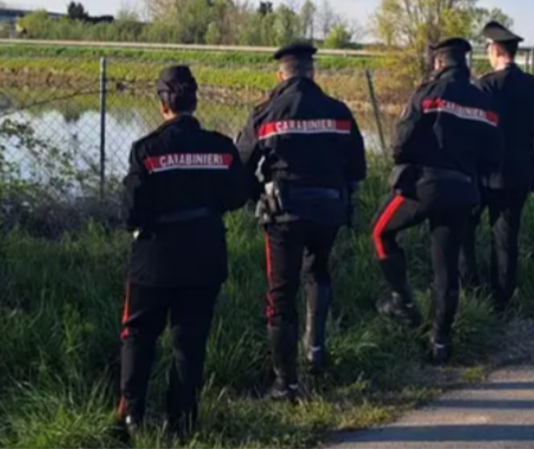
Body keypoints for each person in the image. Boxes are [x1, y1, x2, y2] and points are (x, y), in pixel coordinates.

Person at [117, 65, 249, 438]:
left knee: (139, 336)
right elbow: (237, 196)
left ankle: (132, 419)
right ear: (195, 100)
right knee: (189, 342)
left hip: (153, 261)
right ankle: (182, 424)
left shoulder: (145, 150)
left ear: (162, 104)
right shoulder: (222, 147)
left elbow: (130, 214)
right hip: (205, 257)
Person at [235, 42, 367, 401]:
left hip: (284, 214)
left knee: (280, 293)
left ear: (281, 74)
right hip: (329, 210)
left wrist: (256, 195)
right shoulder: (339, 112)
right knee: (318, 271)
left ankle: (286, 383)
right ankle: (316, 349)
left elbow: (240, 166)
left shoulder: (266, 113)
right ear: (311, 73)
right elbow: (358, 167)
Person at [371, 37, 503, 364]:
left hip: (426, 185)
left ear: (439, 63)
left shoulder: (428, 94)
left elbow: (400, 145)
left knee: (380, 232)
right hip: (464, 190)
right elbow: (494, 155)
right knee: (446, 267)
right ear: (465, 63)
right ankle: (441, 344)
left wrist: (419, 163)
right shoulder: (483, 102)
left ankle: (403, 302)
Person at [459, 21, 534, 312]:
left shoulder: (484, 86)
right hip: (519, 175)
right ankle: (501, 303)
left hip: (483, 176)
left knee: (464, 230)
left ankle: (470, 289)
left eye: (489, 48)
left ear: (496, 50)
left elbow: (472, 133)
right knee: (506, 240)